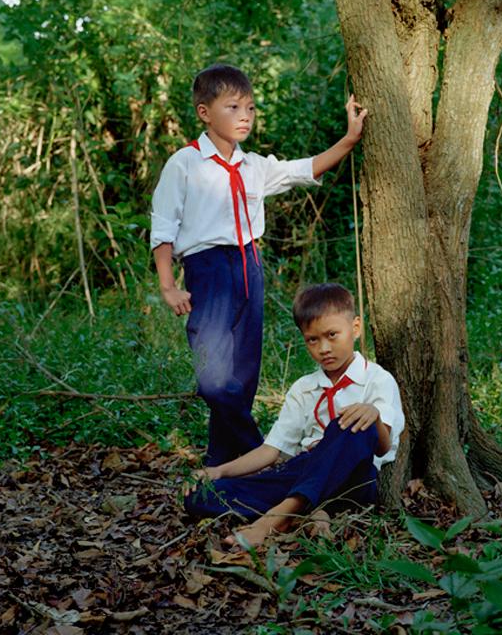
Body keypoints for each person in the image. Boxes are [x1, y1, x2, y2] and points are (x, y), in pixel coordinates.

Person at [150, 64, 366, 467]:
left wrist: (350, 138)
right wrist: (168, 285)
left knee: (245, 375)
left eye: (249, 107)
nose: (245, 115)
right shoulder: (184, 164)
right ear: (204, 113)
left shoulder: (254, 166)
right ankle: (261, 453)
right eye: (233, 107)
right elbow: (163, 226)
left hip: (250, 266)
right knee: (215, 378)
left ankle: (222, 465)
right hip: (208, 270)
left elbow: (306, 169)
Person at [183, 283, 404, 549]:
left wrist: (374, 415)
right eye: (313, 339)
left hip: (354, 478)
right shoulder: (304, 388)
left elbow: (382, 447)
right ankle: (311, 509)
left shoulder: (377, 379)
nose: (324, 348)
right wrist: (219, 470)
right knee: (200, 496)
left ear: (355, 328)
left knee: (353, 423)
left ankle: (275, 519)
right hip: (304, 471)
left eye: (332, 335)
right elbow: (271, 450)